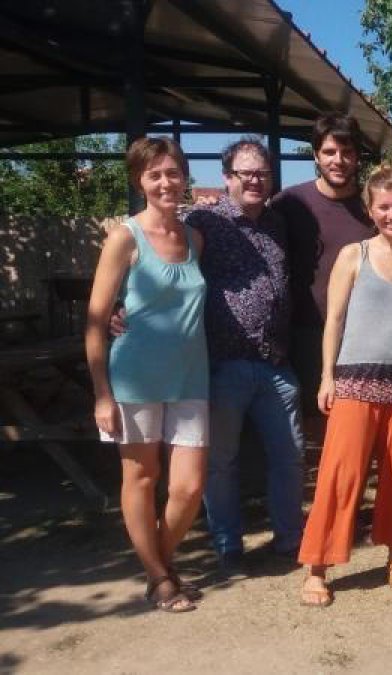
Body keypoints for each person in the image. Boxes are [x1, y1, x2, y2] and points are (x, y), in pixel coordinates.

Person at [297, 168, 392, 606]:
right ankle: (317, 566)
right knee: (340, 476)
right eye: (384, 207)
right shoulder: (353, 255)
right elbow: (334, 320)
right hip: (355, 383)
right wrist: (326, 376)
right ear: (371, 210)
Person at [85, 137, 207, 613]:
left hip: (191, 377)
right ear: (139, 181)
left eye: (172, 172)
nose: (165, 182)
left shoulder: (195, 239)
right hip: (134, 377)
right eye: (154, 174)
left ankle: (160, 561)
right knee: (141, 477)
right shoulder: (124, 237)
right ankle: (159, 577)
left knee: (188, 487)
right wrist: (101, 394)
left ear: (184, 176)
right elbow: (97, 320)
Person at [186, 138, 305, 577]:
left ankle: (289, 539)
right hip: (225, 363)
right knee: (221, 463)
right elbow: (165, 264)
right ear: (227, 177)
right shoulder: (202, 220)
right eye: (246, 173)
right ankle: (229, 546)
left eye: (262, 173)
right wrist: (122, 307)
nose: (255, 180)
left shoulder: (277, 222)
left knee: (290, 456)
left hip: (275, 363)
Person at [272, 114, 373, 418]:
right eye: (329, 152)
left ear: (357, 156)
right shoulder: (289, 204)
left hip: (359, 340)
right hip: (302, 337)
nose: (338, 160)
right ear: (316, 155)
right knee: (308, 429)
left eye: (347, 152)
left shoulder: (372, 208)